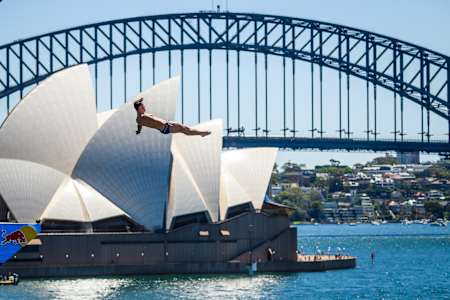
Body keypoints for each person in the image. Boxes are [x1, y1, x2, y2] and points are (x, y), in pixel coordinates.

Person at [134, 98, 211, 137]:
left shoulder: (140, 119)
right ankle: (201, 133)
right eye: (142, 106)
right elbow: (140, 122)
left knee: (184, 129)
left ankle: (201, 133)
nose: (144, 107)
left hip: (166, 125)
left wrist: (139, 130)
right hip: (166, 127)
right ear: (139, 108)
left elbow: (140, 124)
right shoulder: (141, 117)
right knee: (184, 129)